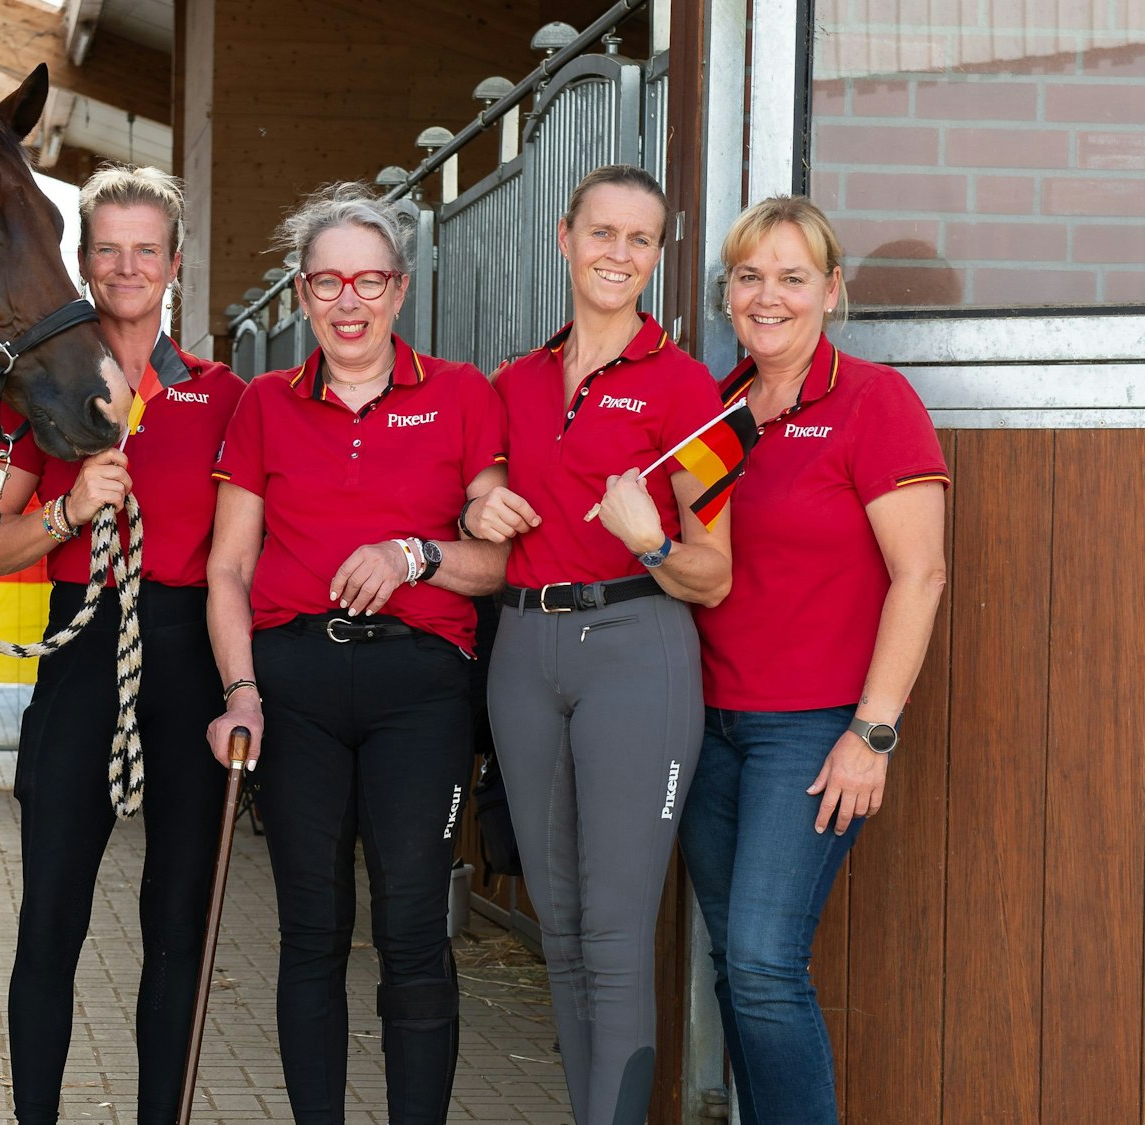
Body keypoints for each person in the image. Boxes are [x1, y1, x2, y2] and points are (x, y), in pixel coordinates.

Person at [0, 164, 244, 1125]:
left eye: (143, 251)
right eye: (106, 249)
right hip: (85, 649)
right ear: (82, 262)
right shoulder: (45, 396)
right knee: (50, 920)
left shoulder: (224, 396)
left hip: (187, 652)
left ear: (174, 265)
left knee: (177, 928)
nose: (124, 267)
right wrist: (71, 507)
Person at [206, 182, 509, 1125]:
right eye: (328, 282)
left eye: (368, 281)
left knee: (414, 926)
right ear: (301, 296)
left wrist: (412, 550)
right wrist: (242, 693)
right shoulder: (263, 403)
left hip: (419, 686)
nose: (349, 301)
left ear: (400, 289)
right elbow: (227, 569)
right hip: (291, 685)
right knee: (311, 932)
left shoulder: (462, 395)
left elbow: (493, 561)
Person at [468, 164, 732, 1125]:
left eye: (640, 240)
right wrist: (475, 499)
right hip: (526, 655)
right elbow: (480, 494)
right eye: (603, 233)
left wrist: (650, 539)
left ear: (657, 258)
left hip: (637, 648)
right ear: (564, 238)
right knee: (564, 931)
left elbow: (716, 572)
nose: (618, 253)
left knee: (616, 932)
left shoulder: (689, 387)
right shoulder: (513, 381)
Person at [682, 196, 948, 1125]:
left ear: (830, 291)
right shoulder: (712, 409)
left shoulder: (875, 401)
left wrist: (871, 732)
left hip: (813, 730)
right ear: (727, 293)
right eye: (750, 276)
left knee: (760, 960)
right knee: (731, 961)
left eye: (792, 277)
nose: (769, 296)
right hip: (708, 727)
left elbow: (920, 573)